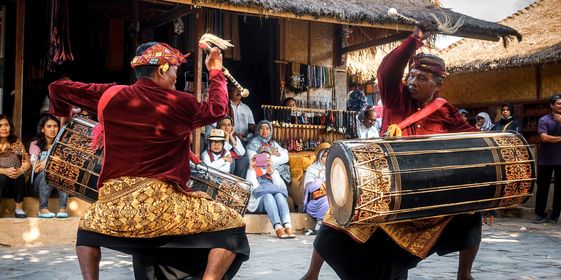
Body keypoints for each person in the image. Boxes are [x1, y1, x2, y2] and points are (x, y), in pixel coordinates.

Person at [48, 42, 249, 279]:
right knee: (233, 226)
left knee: (87, 229)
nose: (176, 77)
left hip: (112, 207)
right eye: (174, 70)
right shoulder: (179, 103)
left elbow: (57, 88)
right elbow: (217, 109)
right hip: (163, 206)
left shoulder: (111, 96)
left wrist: (65, 118)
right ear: (162, 70)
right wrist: (215, 70)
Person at [302, 25, 480, 280]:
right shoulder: (395, 97)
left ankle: (464, 274)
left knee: (471, 211)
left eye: (421, 78)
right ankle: (311, 274)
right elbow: (387, 71)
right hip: (388, 183)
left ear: (437, 84)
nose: (413, 82)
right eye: (412, 75)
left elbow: (474, 136)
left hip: (426, 189)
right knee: (337, 215)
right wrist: (414, 40)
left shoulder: (444, 110)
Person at [246, 151, 295, 239]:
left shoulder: (273, 171)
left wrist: (272, 172)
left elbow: (282, 188)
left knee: (279, 194)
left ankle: (288, 226)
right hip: (259, 202)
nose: (265, 161)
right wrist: (253, 168)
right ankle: (278, 227)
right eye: (262, 159)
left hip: (274, 201)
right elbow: (254, 189)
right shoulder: (252, 170)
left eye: (267, 159)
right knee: (268, 195)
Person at [29, 113, 69, 218]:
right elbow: (35, 166)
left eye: (55, 126)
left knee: (62, 171)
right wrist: (54, 161)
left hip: (58, 185)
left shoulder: (62, 145)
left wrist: (47, 160)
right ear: (42, 129)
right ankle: (43, 209)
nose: (52, 129)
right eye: (49, 126)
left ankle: (62, 208)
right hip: (39, 185)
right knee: (49, 171)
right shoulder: (35, 144)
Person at [533, 93, 561, 224]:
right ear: (551, 105)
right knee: (542, 187)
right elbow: (544, 137)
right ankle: (540, 214)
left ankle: (555, 215)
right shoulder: (544, 120)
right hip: (546, 159)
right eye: (559, 103)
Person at [0, 115, 31, 218]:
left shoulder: (16, 142)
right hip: (1, 178)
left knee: (19, 176)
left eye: (6, 125)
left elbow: (27, 161)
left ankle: (19, 208)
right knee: (2, 178)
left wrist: (21, 170)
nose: (4, 128)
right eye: (0, 125)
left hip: (15, 178)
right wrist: (4, 171)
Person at [246, 120, 291, 184]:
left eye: (267, 128)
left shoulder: (272, 143)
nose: (264, 131)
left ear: (271, 130)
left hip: (274, 174)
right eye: (262, 128)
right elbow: (254, 161)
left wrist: (268, 156)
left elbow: (286, 158)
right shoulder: (253, 143)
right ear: (258, 130)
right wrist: (271, 154)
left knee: (279, 191)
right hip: (260, 175)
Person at [302, 142, 331, 235]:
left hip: (331, 197)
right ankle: (320, 225)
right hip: (315, 202)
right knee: (328, 202)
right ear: (319, 156)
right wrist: (321, 181)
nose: (327, 159)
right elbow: (309, 188)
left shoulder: (334, 167)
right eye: (325, 156)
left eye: (329, 156)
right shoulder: (312, 169)